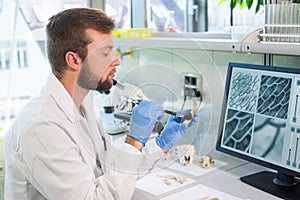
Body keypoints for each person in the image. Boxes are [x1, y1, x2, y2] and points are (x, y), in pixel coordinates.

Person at [4, 8, 197, 200]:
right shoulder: (42, 127)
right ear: (74, 60)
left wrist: (159, 145)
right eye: (105, 53)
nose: (116, 61)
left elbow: (113, 170)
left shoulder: (83, 101)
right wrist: (134, 140)